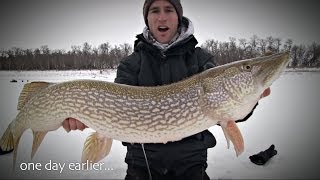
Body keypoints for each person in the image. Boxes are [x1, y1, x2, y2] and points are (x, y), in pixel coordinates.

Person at [0, 0, 271, 179]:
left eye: (169, 9)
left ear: (179, 16)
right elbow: (111, 111)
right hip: (141, 168)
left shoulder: (201, 61)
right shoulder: (132, 63)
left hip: (192, 166)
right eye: (155, 10)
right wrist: (86, 118)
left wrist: (252, 97)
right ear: (148, 18)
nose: (162, 16)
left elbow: (232, 112)